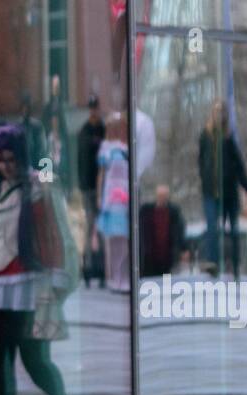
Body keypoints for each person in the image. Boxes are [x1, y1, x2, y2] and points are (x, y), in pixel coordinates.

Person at [0, 124, 74, 395]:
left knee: (34, 360)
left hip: (29, 285)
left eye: (10, 159)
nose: (5, 166)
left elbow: (53, 232)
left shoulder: (37, 189)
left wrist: (58, 276)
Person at [198, 99, 247, 277]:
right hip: (210, 191)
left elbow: (238, 164)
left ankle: (235, 266)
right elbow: (201, 161)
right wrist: (205, 178)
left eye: (221, 112)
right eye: (216, 111)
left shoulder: (228, 138)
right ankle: (213, 263)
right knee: (212, 227)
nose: (218, 115)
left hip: (229, 193)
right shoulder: (205, 136)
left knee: (233, 229)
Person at [96, 112, 131, 292]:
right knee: (112, 240)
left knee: (124, 239)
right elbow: (101, 173)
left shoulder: (128, 147)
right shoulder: (106, 148)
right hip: (111, 197)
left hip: (125, 197)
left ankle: (124, 277)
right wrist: (99, 198)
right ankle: (114, 278)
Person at [76, 94, 106, 286]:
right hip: (88, 187)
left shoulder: (103, 130)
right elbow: (80, 160)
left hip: (102, 187)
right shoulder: (84, 131)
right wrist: (80, 185)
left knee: (101, 229)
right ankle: (87, 268)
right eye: (91, 108)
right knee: (89, 227)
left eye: (95, 107)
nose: (93, 111)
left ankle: (102, 270)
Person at [139, 183, 186, 277]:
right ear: (156, 196)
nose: (162, 198)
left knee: (166, 283)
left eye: (164, 196)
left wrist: (183, 249)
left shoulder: (174, 212)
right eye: (160, 195)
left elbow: (180, 232)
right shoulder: (146, 211)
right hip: (149, 257)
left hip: (167, 258)